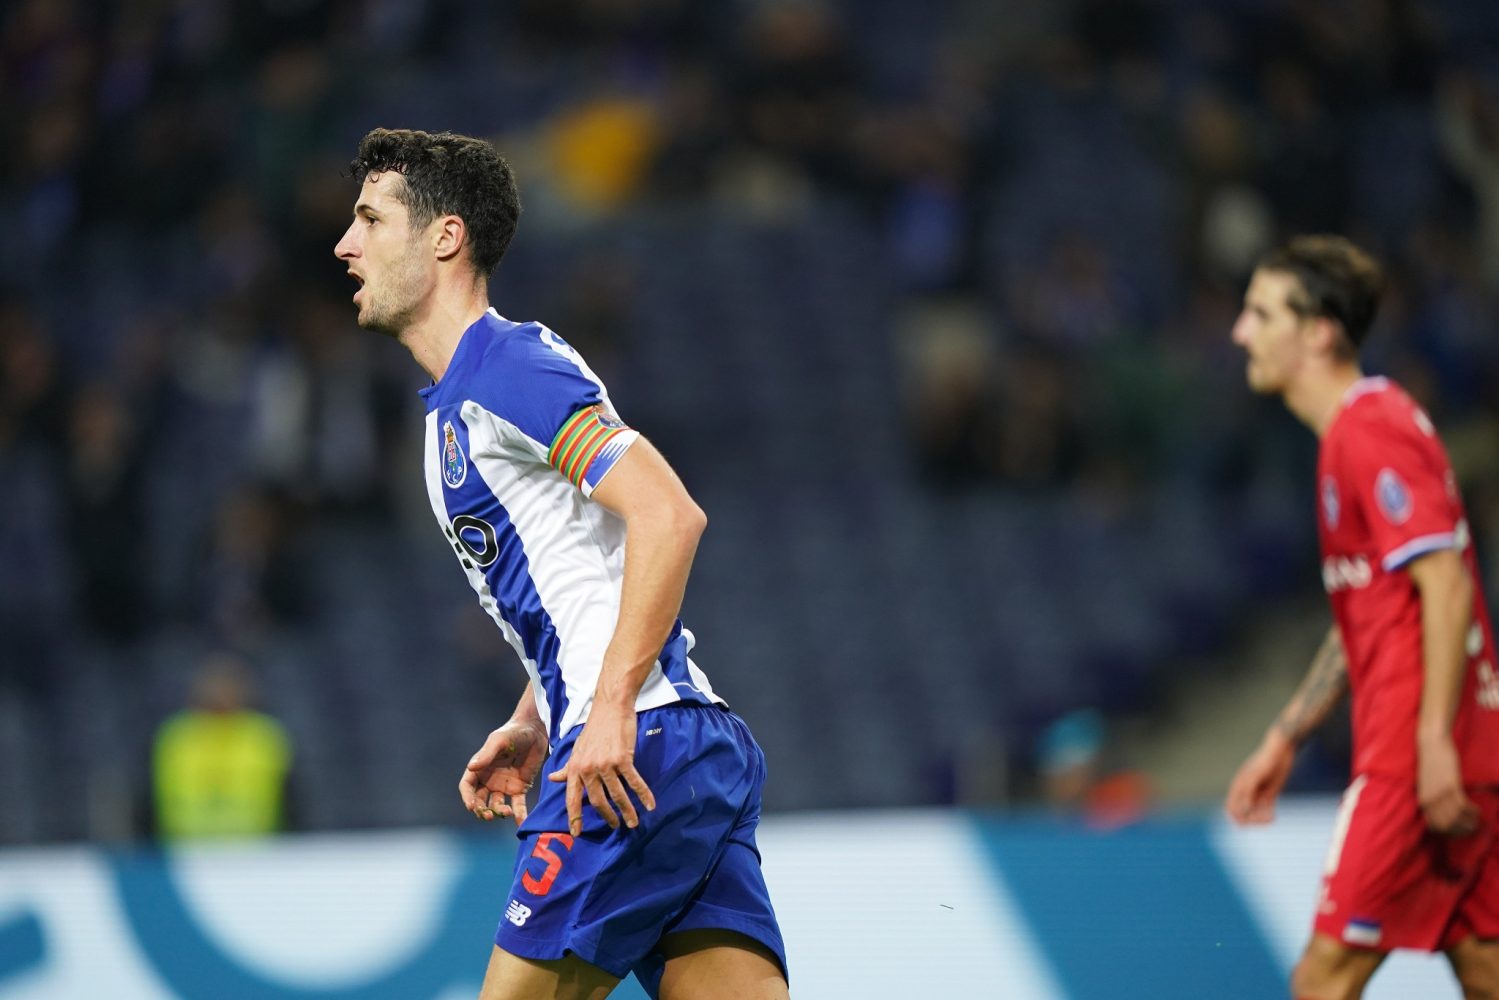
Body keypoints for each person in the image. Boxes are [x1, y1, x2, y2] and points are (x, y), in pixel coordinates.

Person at [333, 128, 788, 1000]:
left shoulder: (505, 369)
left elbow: (668, 516)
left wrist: (605, 707)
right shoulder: (456, 406)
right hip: (675, 741)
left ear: (444, 237)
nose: (345, 245)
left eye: (370, 220)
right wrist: (536, 714)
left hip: (635, 746)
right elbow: (587, 568)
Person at [1225, 235, 1499, 999]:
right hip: (1455, 749)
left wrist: (1430, 742)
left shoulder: (1370, 427)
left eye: (1260, 314)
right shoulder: (1347, 439)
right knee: (1486, 971)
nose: (1240, 332)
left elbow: (1445, 582)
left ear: (1318, 332)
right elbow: (1370, 618)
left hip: (1412, 760)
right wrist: (1287, 734)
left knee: (1321, 982)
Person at [151, 653, 294, 840]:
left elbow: (290, 799)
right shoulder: (177, 736)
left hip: (257, 848)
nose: (222, 694)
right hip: (187, 848)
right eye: (216, 686)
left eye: (229, 687)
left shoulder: (264, 735)